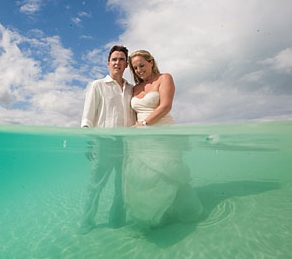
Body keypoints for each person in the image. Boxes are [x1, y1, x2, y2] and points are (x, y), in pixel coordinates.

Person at [122, 50, 202, 227]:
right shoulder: (134, 88)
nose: (139, 70)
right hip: (141, 141)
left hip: (163, 134)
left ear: (151, 62)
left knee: (166, 174)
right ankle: (154, 217)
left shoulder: (165, 78)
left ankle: (175, 213)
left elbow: (166, 106)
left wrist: (143, 125)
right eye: (135, 68)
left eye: (142, 65)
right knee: (143, 178)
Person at [77, 45, 135, 234]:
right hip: (103, 143)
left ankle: (117, 219)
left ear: (126, 64)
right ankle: (87, 222)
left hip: (126, 144)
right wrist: (90, 143)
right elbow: (87, 118)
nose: (117, 63)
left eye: (121, 59)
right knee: (96, 185)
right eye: (114, 59)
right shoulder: (97, 85)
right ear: (108, 63)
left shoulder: (131, 89)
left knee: (122, 185)